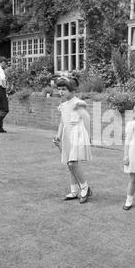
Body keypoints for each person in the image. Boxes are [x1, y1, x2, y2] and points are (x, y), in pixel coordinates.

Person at [53, 76, 93, 204]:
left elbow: (86, 119)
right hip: (67, 134)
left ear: (72, 90)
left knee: (72, 163)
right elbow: (62, 122)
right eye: (59, 89)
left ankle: (85, 188)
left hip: (78, 133)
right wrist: (58, 136)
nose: (61, 92)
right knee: (69, 165)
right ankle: (74, 191)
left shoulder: (78, 103)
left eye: (64, 89)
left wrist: (89, 136)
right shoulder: (63, 105)